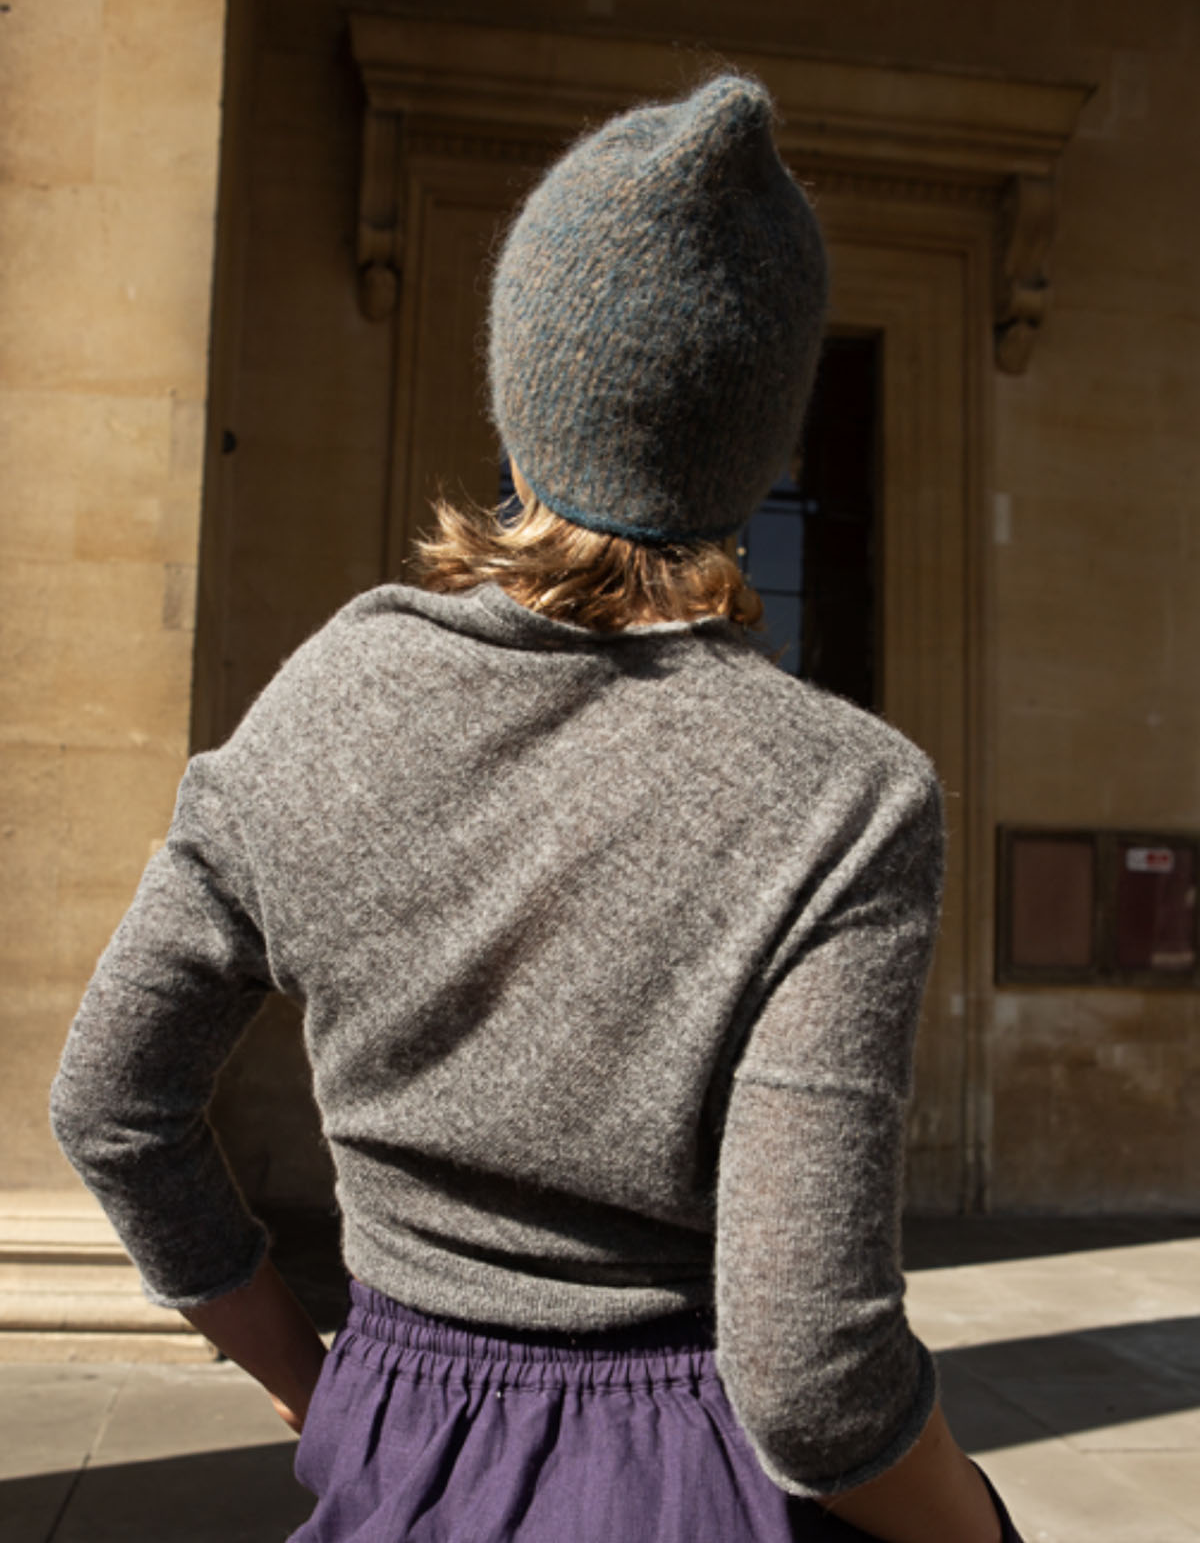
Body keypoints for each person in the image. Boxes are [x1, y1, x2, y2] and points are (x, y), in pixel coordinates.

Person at [51, 76, 1022, 1543]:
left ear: (522, 404)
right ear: (764, 444)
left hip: (395, 1447)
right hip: (701, 1486)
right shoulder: (844, 797)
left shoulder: (327, 701)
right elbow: (814, 1378)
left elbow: (112, 1106)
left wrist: (316, 1388)